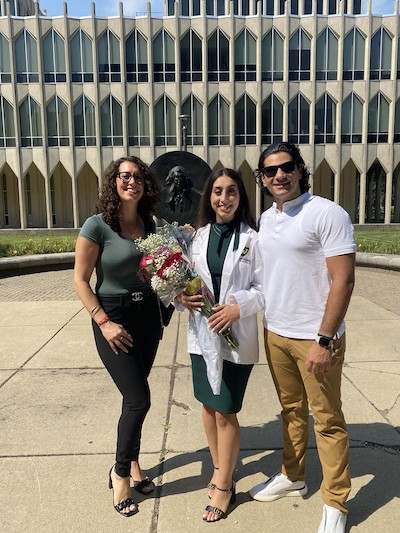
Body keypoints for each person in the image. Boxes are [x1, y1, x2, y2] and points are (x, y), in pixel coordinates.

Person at [250, 142, 356, 533]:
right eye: (270, 171)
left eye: (286, 167)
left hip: (315, 337)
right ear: (262, 179)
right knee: (291, 411)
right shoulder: (266, 218)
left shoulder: (327, 213)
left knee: (327, 421)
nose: (279, 175)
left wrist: (325, 340)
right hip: (276, 332)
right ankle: (293, 476)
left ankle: (336, 502)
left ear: (300, 170)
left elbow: (344, 279)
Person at [74, 156, 162, 518]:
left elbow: (158, 268)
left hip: (147, 318)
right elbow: (80, 280)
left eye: (138, 177)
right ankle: (120, 472)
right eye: (125, 176)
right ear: (114, 182)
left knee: (133, 396)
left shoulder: (150, 223)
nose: (132, 182)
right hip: (114, 315)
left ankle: (135, 462)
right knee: (139, 398)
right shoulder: (97, 225)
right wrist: (103, 321)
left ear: (146, 185)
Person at [176, 168, 264, 522]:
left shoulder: (253, 240)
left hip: (235, 336)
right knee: (208, 406)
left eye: (231, 192)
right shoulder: (196, 238)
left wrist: (237, 308)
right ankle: (219, 468)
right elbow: (183, 284)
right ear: (208, 197)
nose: (223, 198)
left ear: (241, 197)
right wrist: (181, 297)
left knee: (226, 409)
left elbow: (265, 289)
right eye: (217, 191)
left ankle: (225, 485)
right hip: (202, 336)